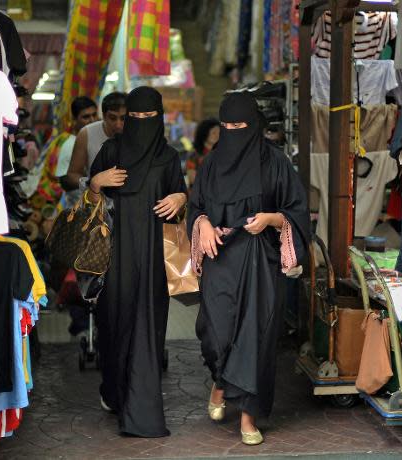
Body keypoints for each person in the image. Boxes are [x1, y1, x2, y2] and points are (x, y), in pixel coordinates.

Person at [187, 92, 311, 446]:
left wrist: (272, 219)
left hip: (260, 261)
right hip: (220, 259)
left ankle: (248, 416)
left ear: (254, 126)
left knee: (255, 339)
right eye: (225, 127)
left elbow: (298, 211)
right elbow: (196, 205)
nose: (232, 133)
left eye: (239, 126)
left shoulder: (275, 162)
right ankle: (221, 381)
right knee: (215, 333)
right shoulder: (211, 164)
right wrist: (204, 224)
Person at [87, 86, 187, 438]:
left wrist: (179, 196)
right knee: (114, 327)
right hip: (114, 259)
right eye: (136, 118)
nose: (142, 124)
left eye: (150, 118)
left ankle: (140, 405)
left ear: (160, 119)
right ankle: (114, 392)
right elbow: (86, 207)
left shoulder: (169, 157)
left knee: (149, 328)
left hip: (154, 259)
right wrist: (97, 183)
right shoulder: (110, 151)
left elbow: (181, 200)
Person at [61, 91, 127, 200]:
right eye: (112, 118)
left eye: (123, 118)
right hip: (97, 201)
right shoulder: (86, 134)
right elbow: (72, 174)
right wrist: (94, 183)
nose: (118, 124)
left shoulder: (136, 134)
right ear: (104, 116)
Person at [186, 118, 220, 187]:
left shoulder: (222, 153)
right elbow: (192, 179)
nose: (218, 135)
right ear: (204, 133)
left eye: (219, 133)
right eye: (214, 133)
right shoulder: (194, 155)